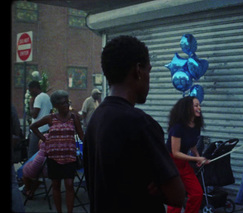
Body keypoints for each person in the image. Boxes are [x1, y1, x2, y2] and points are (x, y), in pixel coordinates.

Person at [83, 35, 185, 213]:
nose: (149, 79)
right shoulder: (139, 123)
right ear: (138, 70)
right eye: (149, 71)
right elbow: (177, 195)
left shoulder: (96, 119)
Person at [30, 90, 84, 213]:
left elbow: (81, 135)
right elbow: (33, 127)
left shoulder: (73, 117)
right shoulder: (50, 118)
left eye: (67, 102)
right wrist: (44, 139)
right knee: (56, 185)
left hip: (69, 157)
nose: (66, 105)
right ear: (56, 106)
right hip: (54, 157)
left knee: (70, 185)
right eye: (63, 103)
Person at [165, 96, 209, 213]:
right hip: (171, 163)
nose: (199, 108)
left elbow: (191, 144)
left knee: (197, 193)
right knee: (175, 198)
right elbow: (175, 153)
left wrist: (198, 156)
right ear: (187, 108)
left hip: (183, 164)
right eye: (196, 105)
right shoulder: (178, 127)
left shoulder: (196, 125)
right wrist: (196, 158)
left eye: (199, 105)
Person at [27, 81, 53, 158]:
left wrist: (31, 104)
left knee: (32, 154)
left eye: (30, 90)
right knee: (43, 154)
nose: (30, 92)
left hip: (37, 130)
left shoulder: (38, 98)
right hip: (46, 129)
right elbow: (51, 111)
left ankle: (31, 170)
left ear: (35, 88)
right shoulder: (47, 97)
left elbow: (34, 115)